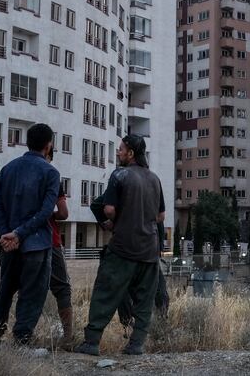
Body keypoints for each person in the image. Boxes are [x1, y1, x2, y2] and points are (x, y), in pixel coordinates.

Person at [75, 135, 166, 357]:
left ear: (131, 153)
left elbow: (108, 209)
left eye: (121, 149)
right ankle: (136, 345)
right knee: (144, 300)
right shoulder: (154, 179)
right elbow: (161, 216)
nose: (118, 152)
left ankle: (92, 342)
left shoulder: (119, 175)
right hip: (149, 250)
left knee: (105, 292)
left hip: (124, 247)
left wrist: (117, 220)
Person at [0, 124, 59, 345]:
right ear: (48, 146)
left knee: (5, 288)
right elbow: (46, 211)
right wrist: (19, 234)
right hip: (36, 244)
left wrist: (6, 234)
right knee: (33, 292)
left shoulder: (8, 169)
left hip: (8, 244)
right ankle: (22, 337)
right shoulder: (50, 172)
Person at [117, 222, 170, 330]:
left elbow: (160, 219)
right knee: (123, 293)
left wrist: (159, 247)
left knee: (161, 291)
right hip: (128, 256)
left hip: (148, 256)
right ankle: (128, 325)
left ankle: (161, 322)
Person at [48, 180, 74, 346]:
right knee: (62, 288)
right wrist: (50, 215)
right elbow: (63, 213)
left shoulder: (13, 174)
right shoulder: (51, 177)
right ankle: (68, 337)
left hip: (21, 240)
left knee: (25, 288)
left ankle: (21, 336)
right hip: (50, 239)